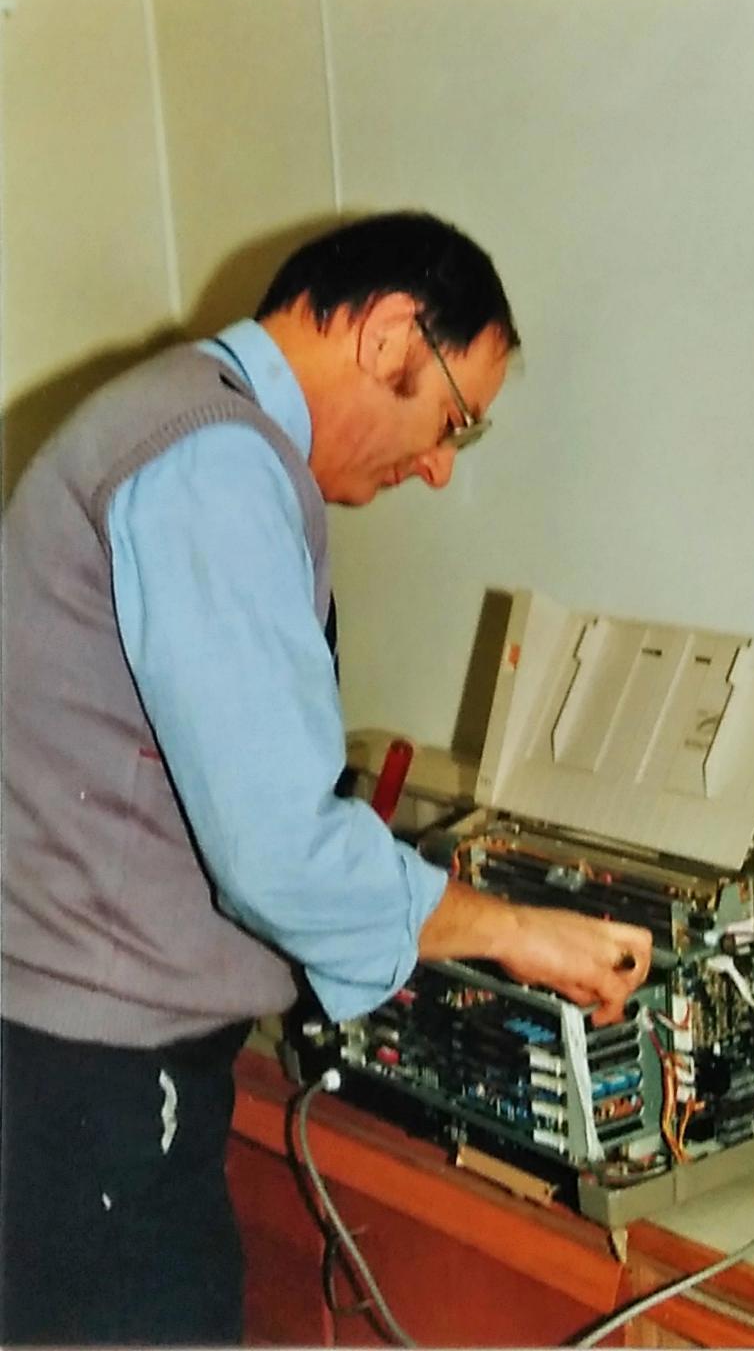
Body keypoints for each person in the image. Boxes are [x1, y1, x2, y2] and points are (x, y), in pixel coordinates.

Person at [0, 211, 652, 1346]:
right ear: (390, 334)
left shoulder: (173, 418)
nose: (438, 467)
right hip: (94, 1081)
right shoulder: (212, 459)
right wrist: (515, 932)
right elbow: (280, 851)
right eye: (453, 419)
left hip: (69, 1060)